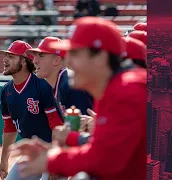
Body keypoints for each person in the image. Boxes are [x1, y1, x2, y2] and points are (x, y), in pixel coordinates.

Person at [10, 17, 146, 180]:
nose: (68, 61)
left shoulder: (127, 91)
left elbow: (104, 161)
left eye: (75, 53)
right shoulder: (113, 88)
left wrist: (52, 160)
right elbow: (102, 151)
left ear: (101, 57)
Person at [0, 40, 64, 180]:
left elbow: (56, 125)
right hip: (33, 153)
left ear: (23, 61)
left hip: (54, 150)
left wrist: (55, 161)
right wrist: (4, 160)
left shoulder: (42, 86)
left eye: (11, 56)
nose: (5, 59)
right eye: (5, 56)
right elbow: (9, 127)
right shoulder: (6, 91)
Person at [26, 36, 93, 115]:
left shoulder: (71, 84)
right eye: (34, 56)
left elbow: (86, 123)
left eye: (41, 56)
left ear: (57, 60)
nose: (34, 61)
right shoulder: (60, 82)